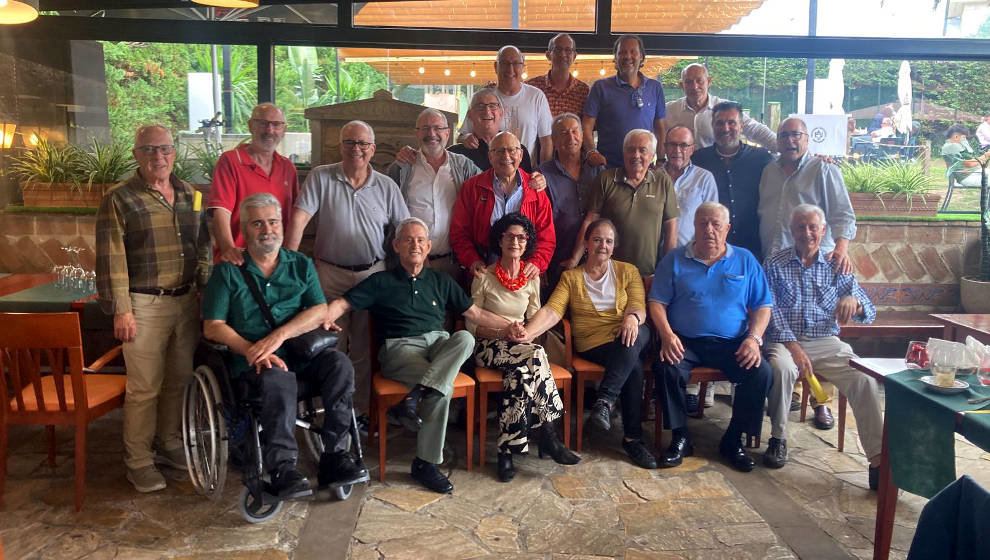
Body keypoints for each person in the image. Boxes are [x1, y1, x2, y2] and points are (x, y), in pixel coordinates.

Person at [324, 217, 522, 494]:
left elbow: (475, 314)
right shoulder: (380, 281)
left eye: (420, 240)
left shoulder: (440, 281)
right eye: (408, 239)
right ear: (396, 246)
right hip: (400, 348)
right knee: (440, 391)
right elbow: (344, 302)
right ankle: (425, 464)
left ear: (429, 247)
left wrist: (511, 326)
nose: (415, 245)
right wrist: (327, 317)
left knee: (464, 337)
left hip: (439, 346)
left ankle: (415, 395)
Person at [201, 193, 367, 498]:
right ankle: (283, 467)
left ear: (282, 224)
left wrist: (278, 337)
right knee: (277, 378)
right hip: (254, 363)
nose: (268, 229)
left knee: (339, 365)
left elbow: (319, 310)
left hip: (301, 355)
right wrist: (251, 349)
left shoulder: (299, 264)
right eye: (258, 223)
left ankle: (335, 455)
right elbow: (212, 326)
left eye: (273, 221)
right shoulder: (227, 272)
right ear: (245, 229)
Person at [95, 124, 211, 493]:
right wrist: (122, 310)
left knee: (178, 379)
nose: (158, 157)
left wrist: (205, 288)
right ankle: (139, 461)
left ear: (174, 151)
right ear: (135, 155)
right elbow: (111, 258)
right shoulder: (119, 198)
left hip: (185, 301)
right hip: (143, 304)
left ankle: (168, 443)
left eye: (164, 149)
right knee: (144, 387)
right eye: (149, 150)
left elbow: (203, 245)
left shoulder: (190, 194)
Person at [285, 120, 410, 420]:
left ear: (373, 149)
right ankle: (330, 410)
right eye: (350, 143)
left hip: (373, 276)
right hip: (329, 275)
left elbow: (405, 231)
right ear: (340, 146)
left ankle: (359, 412)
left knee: (365, 350)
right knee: (330, 346)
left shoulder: (386, 185)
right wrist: (288, 265)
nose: (357, 149)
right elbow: (299, 220)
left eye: (363, 144)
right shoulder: (320, 177)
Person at [763, 204, 883, 489]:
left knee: (864, 378)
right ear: (791, 231)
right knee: (781, 369)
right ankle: (778, 439)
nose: (807, 233)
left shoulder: (836, 264)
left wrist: (855, 303)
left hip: (826, 341)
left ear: (823, 230)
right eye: (801, 227)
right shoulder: (774, 263)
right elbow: (771, 311)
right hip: (785, 340)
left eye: (812, 227)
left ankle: (879, 460)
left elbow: (870, 309)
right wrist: (794, 348)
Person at [648, 202, 773, 472]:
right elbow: (656, 302)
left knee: (761, 372)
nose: (709, 230)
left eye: (716, 224)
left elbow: (763, 305)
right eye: (703, 223)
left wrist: (754, 339)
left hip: (733, 343)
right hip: (686, 341)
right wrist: (667, 335)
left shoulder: (745, 259)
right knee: (665, 367)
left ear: (727, 229)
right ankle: (681, 437)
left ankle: (733, 438)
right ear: (694, 226)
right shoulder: (675, 259)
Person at [524, 219, 656, 469]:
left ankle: (604, 401)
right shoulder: (571, 278)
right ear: (586, 243)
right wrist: (528, 333)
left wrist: (631, 317)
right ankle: (632, 439)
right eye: (596, 239)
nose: (602, 245)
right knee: (634, 363)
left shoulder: (628, 271)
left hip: (629, 332)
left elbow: (639, 304)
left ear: (614, 246)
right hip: (595, 344)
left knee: (634, 338)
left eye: (608, 241)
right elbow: (553, 311)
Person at [467, 213, 580, 482]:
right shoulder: (484, 275)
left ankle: (506, 452)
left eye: (521, 237)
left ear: (527, 243)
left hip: (520, 350)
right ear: (500, 240)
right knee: (537, 355)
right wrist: (503, 331)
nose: (515, 242)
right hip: (488, 347)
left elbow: (534, 321)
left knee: (520, 375)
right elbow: (472, 324)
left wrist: (524, 334)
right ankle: (549, 436)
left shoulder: (531, 279)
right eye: (509, 236)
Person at [565, 129, 678, 277]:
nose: (636, 155)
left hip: (648, 275)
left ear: (652, 156)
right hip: (606, 274)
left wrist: (667, 272)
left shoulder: (663, 182)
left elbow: (671, 229)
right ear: (623, 153)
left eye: (642, 150)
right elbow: (590, 221)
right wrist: (574, 260)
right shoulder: (605, 179)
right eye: (630, 150)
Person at [388, 108, 481, 279]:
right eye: (425, 128)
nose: (432, 133)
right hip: (411, 263)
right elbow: (389, 215)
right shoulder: (400, 168)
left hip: (454, 263)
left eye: (438, 128)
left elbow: (490, 185)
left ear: (447, 133)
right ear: (416, 133)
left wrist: (533, 179)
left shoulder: (464, 166)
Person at [450, 131, 555, 281]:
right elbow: (459, 232)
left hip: (524, 271)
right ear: (490, 156)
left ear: (521, 155)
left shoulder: (536, 190)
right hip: (483, 269)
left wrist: (537, 262)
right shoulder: (472, 187)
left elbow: (547, 236)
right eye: (499, 151)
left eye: (511, 150)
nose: (506, 156)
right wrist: (471, 260)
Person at [758, 117, 856, 274]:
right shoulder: (768, 171)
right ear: (777, 141)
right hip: (772, 263)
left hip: (811, 264)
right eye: (783, 135)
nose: (789, 140)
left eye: (796, 134)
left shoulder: (825, 170)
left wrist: (841, 249)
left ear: (807, 139)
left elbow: (843, 214)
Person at [208, 103, 299, 265]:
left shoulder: (288, 167)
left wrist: (287, 260)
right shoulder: (231, 161)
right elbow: (221, 212)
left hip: (274, 264)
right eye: (263, 123)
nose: (270, 130)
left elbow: (290, 219)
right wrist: (229, 250)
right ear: (251, 126)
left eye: (276, 124)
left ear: (284, 129)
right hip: (238, 262)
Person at [691, 101, 772, 257]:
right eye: (720, 123)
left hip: (752, 247)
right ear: (713, 126)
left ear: (741, 126)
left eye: (731, 123)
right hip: (710, 247)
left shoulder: (761, 158)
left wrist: (816, 158)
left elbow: (786, 167)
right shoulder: (699, 160)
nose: (725, 128)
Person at [539, 112, 604, 289]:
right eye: (564, 133)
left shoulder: (597, 169)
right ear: (554, 140)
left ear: (583, 136)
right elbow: (537, 222)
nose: (571, 137)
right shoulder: (543, 174)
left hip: (596, 257)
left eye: (575, 131)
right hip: (558, 259)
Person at [583, 35, 666, 169]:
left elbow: (660, 128)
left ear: (642, 57)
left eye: (633, 52)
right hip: (608, 169)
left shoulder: (655, 88)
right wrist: (592, 152)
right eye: (622, 52)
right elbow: (586, 125)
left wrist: (661, 159)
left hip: (644, 169)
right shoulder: (600, 87)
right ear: (615, 58)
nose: (628, 56)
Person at [457, 46, 552, 162]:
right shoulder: (485, 98)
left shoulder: (536, 96)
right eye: (505, 63)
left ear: (523, 68)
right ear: (496, 67)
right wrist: (466, 138)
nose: (510, 69)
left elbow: (546, 140)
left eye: (516, 63)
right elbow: (461, 136)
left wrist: (541, 173)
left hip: (525, 171)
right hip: (489, 171)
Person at [664, 63, 776, 150]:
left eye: (699, 81)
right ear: (681, 85)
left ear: (708, 81)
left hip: (716, 171)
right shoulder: (668, 110)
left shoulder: (726, 110)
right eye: (688, 82)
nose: (695, 86)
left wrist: (782, 147)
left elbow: (755, 129)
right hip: (680, 174)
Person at [448, 89, 535, 174]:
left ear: (501, 114)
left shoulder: (517, 151)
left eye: (493, 106)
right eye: (480, 106)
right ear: (470, 115)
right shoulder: (455, 154)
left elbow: (527, 185)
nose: (487, 111)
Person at [663, 126, 718, 247]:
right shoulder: (654, 177)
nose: (677, 150)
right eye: (672, 145)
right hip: (653, 256)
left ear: (692, 149)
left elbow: (713, 220)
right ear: (665, 148)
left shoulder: (705, 179)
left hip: (690, 256)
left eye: (683, 145)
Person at [525, 33, 590, 118]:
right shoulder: (531, 87)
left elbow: (588, 127)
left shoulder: (584, 92)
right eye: (558, 49)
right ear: (548, 55)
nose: (563, 54)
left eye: (568, 50)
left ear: (574, 56)